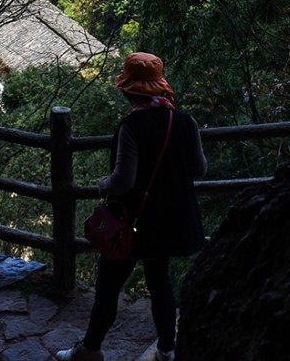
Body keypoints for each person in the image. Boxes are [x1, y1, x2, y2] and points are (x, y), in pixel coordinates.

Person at [57, 52, 207, 361]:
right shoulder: (185, 121)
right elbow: (199, 168)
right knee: (160, 281)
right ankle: (167, 349)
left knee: (109, 285)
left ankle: (91, 350)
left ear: (130, 90)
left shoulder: (132, 126)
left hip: (134, 222)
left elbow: (123, 180)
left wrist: (102, 185)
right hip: (171, 220)